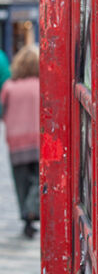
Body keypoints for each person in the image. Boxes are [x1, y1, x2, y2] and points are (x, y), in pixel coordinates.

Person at [0, 44, 40, 239]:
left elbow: (1, 111)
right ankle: (32, 209)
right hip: (38, 139)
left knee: (21, 183)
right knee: (39, 180)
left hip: (15, 141)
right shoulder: (41, 84)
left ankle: (27, 220)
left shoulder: (9, 87)